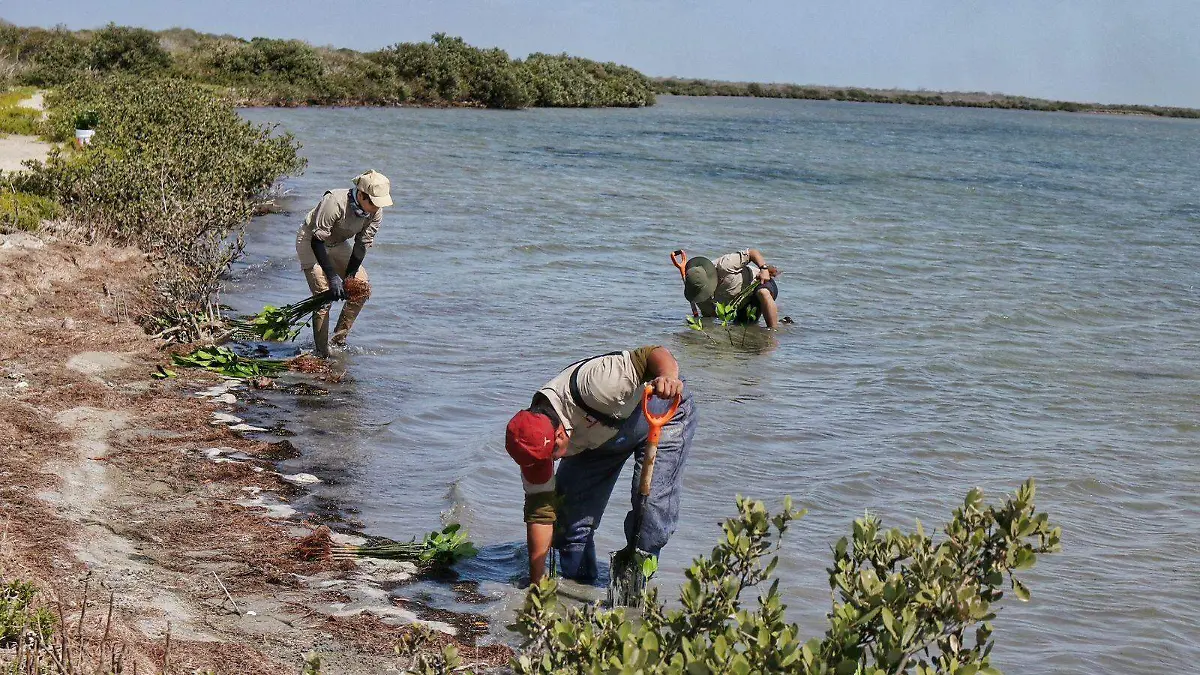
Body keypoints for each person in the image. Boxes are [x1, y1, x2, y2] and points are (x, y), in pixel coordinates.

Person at [505, 346, 697, 584]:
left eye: (553, 454)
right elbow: (540, 515)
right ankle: (579, 590)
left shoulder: (597, 384)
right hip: (599, 438)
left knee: (650, 515)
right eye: (546, 459)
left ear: (559, 435)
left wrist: (668, 376)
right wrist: (536, 583)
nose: (551, 461)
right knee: (567, 528)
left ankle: (635, 595)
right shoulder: (532, 444)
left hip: (660, 412)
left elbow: (653, 354)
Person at [295, 170, 392, 357]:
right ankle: (322, 352)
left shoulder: (375, 212)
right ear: (362, 195)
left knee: (361, 288)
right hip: (311, 240)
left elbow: (361, 245)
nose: (376, 208)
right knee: (323, 297)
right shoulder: (335, 202)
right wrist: (332, 277)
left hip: (338, 244)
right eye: (373, 203)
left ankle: (338, 340)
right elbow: (317, 240)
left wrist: (348, 278)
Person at [683, 248, 782, 329]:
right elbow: (711, 316)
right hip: (742, 305)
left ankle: (774, 332)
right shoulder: (699, 296)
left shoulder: (725, 265)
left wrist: (763, 269)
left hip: (760, 283)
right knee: (746, 330)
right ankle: (785, 323)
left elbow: (752, 253)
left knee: (762, 293)